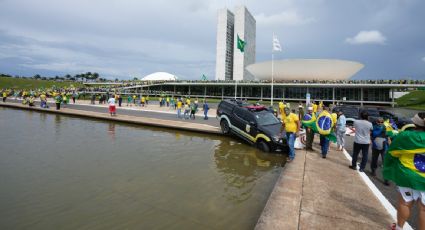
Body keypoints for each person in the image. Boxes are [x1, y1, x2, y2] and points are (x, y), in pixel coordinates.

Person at [384, 113, 425, 230]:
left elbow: (393, 152)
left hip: (408, 175)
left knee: (405, 203)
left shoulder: (406, 136)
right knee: (424, 209)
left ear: (415, 123)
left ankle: (399, 227)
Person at [370, 118, 389, 185]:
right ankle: (373, 171)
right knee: (374, 159)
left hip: (384, 146)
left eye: (381, 122)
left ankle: (386, 179)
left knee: (385, 162)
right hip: (375, 146)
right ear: (376, 122)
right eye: (379, 122)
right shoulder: (374, 127)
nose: (380, 123)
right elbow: (372, 135)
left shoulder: (386, 127)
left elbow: (389, 137)